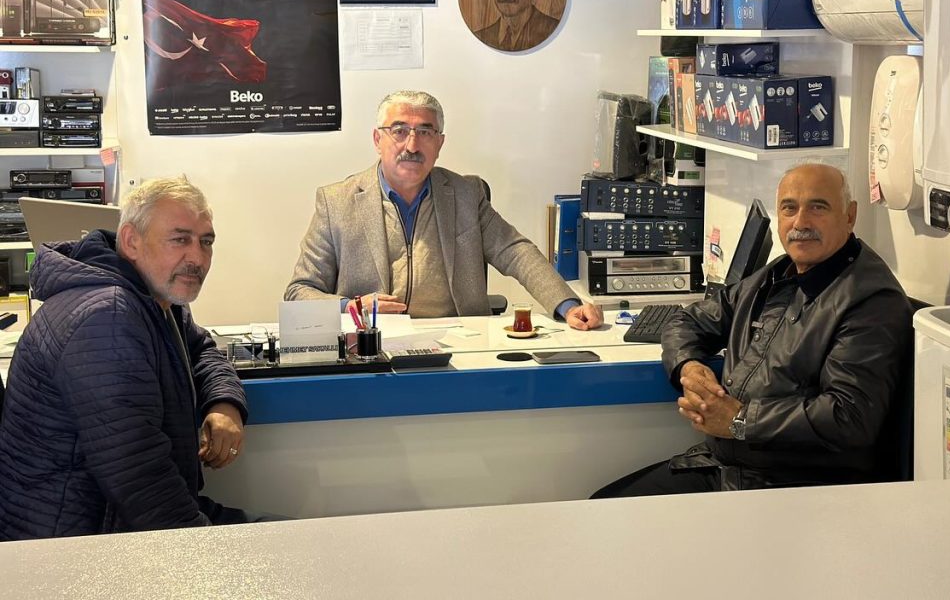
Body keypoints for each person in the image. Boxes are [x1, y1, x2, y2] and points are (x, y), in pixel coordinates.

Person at [592, 162, 914, 496]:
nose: (801, 223)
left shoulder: (870, 300)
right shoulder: (779, 274)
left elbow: (849, 416)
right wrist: (688, 366)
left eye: (818, 207)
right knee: (602, 506)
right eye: (789, 208)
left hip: (793, 486)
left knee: (608, 514)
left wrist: (740, 420)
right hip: (726, 467)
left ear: (850, 216)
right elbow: (687, 321)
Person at [0, 176, 253, 540]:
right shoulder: (108, 316)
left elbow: (201, 348)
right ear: (132, 241)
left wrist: (224, 402)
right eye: (180, 239)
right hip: (83, 545)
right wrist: (210, 556)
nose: (197, 258)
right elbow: (143, 486)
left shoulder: (155, 297)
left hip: (124, 524)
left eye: (206, 242)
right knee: (295, 551)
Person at [285, 90, 602, 330]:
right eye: (399, 131)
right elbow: (299, 292)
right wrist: (351, 306)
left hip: (456, 341)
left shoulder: (466, 194)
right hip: (372, 344)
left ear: (439, 143)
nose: (412, 145)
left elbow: (516, 252)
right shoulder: (337, 202)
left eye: (425, 132)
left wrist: (567, 305)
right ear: (377, 139)